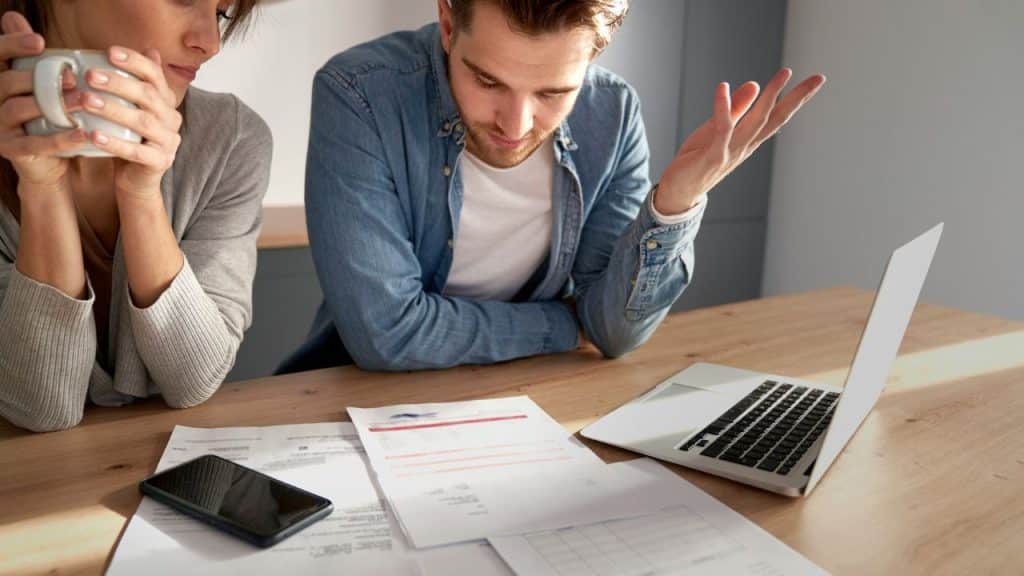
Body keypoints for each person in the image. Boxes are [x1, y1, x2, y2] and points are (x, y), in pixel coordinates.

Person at [280, 0, 824, 373]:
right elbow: (386, 335)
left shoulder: (612, 114)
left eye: (553, 92)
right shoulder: (359, 93)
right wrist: (564, 326)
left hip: (527, 399)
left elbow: (613, 333)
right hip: (357, 406)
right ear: (448, 23)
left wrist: (675, 206)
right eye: (488, 81)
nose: (515, 126)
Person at [0, 0, 272, 432]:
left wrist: (142, 194)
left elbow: (193, 381)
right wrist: (42, 187)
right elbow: (40, 407)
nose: (211, 43)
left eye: (220, 12)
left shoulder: (231, 141)